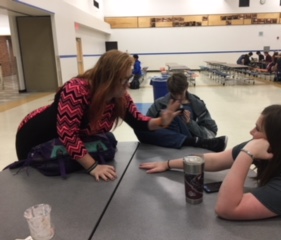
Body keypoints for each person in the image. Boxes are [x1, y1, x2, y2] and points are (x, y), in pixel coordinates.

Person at [140, 104, 281, 239]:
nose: (251, 132)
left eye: (257, 129)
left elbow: (227, 209)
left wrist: (246, 154)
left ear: (276, 139)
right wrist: (169, 164)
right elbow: (215, 160)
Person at [14, 50, 180, 181]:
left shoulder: (119, 95)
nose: (128, 84)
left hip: (64, 142)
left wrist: (161, 121)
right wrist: (93, 167)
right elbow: (68, 135)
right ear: (108, 79)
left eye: (128, 78)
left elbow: (138, 121)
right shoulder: (77, 90)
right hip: (36, 138)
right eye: (123, 80)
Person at [134, 73, 227, 152]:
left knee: (175, 117)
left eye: (181, 94)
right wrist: (161, 120)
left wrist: (190, 123)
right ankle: (192, 141)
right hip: (166, 142)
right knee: (137, 125)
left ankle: (192, 141)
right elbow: (145, 128)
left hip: (186, 143)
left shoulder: (197, 104)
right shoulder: (160, 103)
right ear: (169, 90)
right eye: (174, 94)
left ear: (186, 87)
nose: (178, 98)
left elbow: (211, 133)